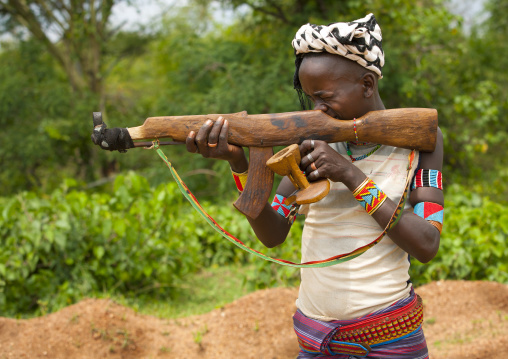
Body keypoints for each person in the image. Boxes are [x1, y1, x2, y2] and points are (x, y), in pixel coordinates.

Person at [185, 13, 443, 359]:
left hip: (389, 342)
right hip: (315, 342)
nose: (317, 110)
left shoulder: (420, 141)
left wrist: (350, 176)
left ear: (367, 84)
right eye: (310, 98)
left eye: (325, 97)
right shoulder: (312, 143)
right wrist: (239, 163)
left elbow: (426, 243)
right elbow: (273, 234)